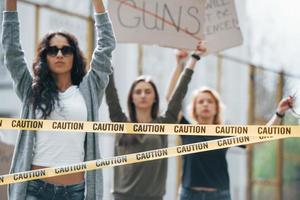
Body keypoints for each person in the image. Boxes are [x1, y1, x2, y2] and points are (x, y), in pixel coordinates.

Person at [2, 0, 115, 199]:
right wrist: (10, 5)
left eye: (66, 50)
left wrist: (98, 3)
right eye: (53, 50)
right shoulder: (31, 90)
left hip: (75, 191)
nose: (59, 54)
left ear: (74, 56)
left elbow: (106, 45)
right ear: (45, 57)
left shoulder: (89, 90)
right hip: (35, 190)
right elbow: (12, 52)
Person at [167, 50, 294, 200]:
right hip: (189, 195)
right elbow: (171, 99)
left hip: (219, 196)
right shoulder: (186, 128)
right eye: (201, 101)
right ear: (194, 108)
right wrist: (179, 64)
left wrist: (279, 112)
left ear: (216, 108)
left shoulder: (224, 131)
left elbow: (260, 137)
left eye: (210, 101)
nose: (205, 104)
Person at [105, 43, 206, 200]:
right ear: (132, 97)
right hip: (122, 197)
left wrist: (193, 58)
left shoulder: (164, 123)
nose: (143, 95)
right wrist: (106, 54)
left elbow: (179, 92)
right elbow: (110, 90)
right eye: (138, 92)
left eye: (148, 91)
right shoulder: (120, 120)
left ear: (154, 98)